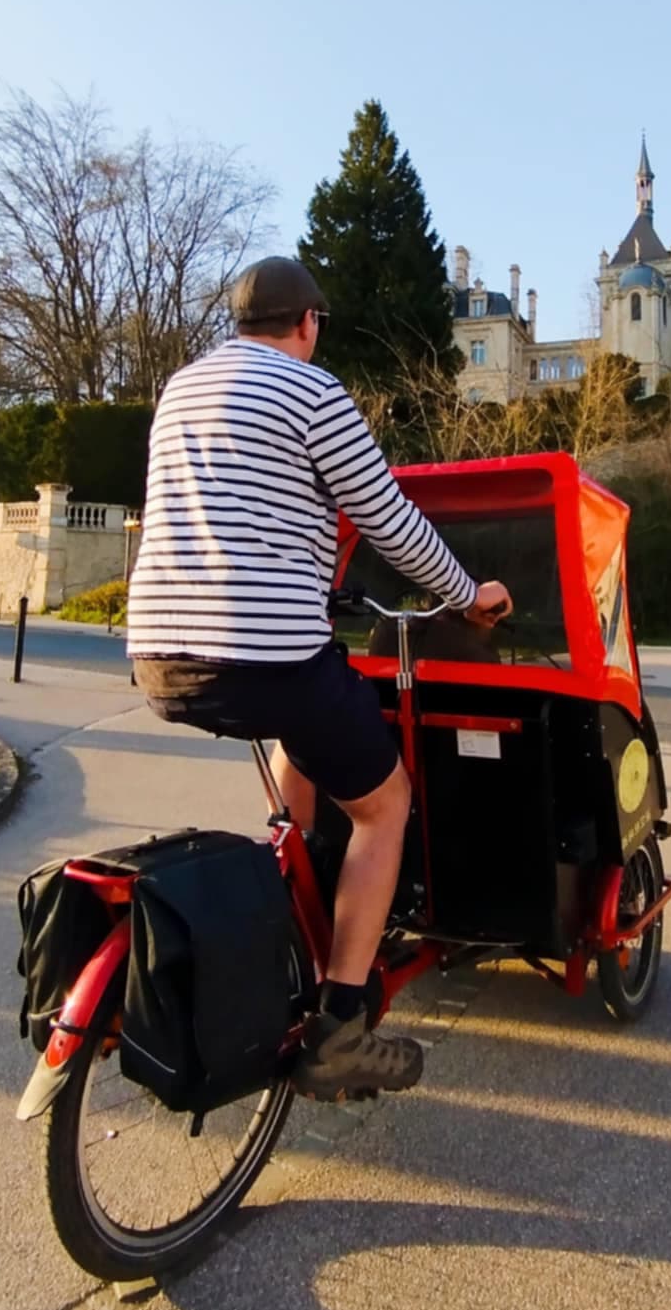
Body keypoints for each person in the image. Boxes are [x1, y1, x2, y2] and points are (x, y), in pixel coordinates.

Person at [128, 255, 511, 1099]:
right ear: (308, 325)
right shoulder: (312, 391)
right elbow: (387, 520)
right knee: (385, 805)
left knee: (301, 743)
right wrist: (466, 595)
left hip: (159, 653)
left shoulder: (180, 390)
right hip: (262, 649)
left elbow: (231, 514)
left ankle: (284, 924)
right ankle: (341, 1023)